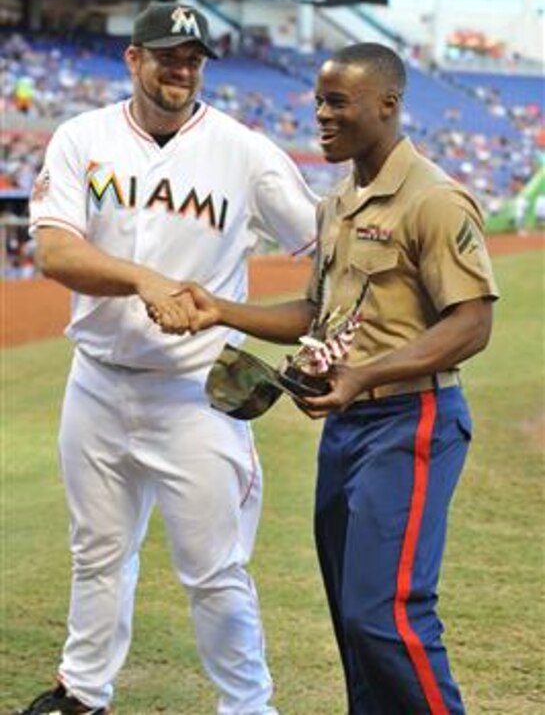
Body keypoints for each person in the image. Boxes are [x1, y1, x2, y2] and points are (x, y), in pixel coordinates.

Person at [152, 43, 499, 714]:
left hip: (411, 421)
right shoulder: (338, 201)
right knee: (354, 620)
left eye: (337, 101)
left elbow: (470, 325)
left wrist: (365, 372)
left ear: (387, 105)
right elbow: (316, 313)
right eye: (318, 100)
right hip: (346, 425)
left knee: (385, 616)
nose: (320, 114)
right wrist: (218, 310)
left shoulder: (433, 199)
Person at [19, 1, 317, 715]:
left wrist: (317, 335)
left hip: (195, 392)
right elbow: (56, 249)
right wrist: (143, 279)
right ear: (133, 59)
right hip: (96, 382)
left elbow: (322, 249)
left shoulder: (243, 151)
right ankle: (84, 693)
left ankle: (247, 706)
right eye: (166, 55)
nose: (180, 68)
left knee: (213, 569)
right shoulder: (82, 138)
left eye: (192, 57)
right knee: (97, 552)